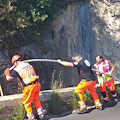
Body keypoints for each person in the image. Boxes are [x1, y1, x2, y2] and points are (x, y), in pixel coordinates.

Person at [4, 55, 47, 120]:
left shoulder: (17, 69)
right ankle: (40, 113)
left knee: (27, 102)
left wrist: (6, 72)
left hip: (29, 87)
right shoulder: (27, 64)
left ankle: (31, 118)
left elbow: (8, 79)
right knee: (35, 99)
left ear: (15, 62)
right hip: (37, 84)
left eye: (14, 64)